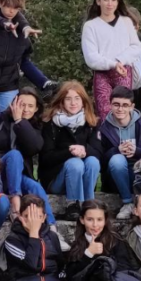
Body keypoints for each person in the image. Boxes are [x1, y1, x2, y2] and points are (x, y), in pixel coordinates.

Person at [0, 88, 62, 247]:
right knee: (15, 155)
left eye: (31, 106)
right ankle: (15, 200)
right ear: (14, 103)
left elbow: (34, 147)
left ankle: (52, 228)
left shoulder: (36, 126)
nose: (26, 109)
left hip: (18, 176)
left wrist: (19, 122)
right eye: (22, 104)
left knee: (34, 186)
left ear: (36, 108)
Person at [93, 86, 141, 220]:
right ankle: (128, 202)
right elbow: (100, 159)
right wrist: (117, 150)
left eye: (125, 105)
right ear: (110, 105)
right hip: (116, 175)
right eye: (116, 104)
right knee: (117, 159)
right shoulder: (103, 127)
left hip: (140, 172)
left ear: (131, 106)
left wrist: (137, 151)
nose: (120, 109)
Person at [38, 82, 101, 219]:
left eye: (77, 98)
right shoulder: (51, 123)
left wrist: (84, 150)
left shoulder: (91, 123)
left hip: (82, 179)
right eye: (68, 99)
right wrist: (69, 152)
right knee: (75, 163)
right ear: (61, 102)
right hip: (56, 179)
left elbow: (99, 153)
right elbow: (46, 158)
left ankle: (88, 202)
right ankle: (72, 204)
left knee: (93, 161)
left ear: (83, 102)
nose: (73, 103)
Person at [81, 0, 141, 120]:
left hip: (123, 71)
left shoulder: (126, 22)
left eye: (113, 0)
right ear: (98, 1)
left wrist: (120, 61)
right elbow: (91, 57)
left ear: (118, 2)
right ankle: (107, 140)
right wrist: (112, 64)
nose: (110, 4)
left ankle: (126, 139)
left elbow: (136, 47)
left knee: (122, 110)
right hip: (102, 73)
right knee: (105, 113)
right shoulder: (90, 26)